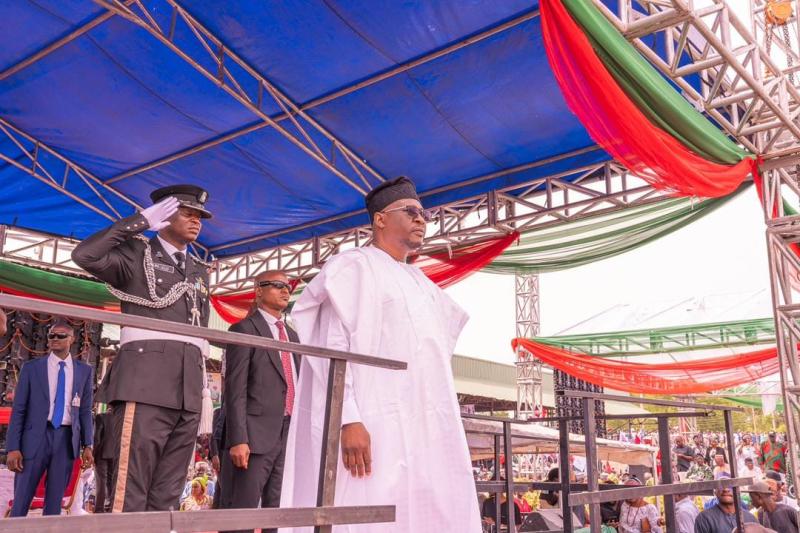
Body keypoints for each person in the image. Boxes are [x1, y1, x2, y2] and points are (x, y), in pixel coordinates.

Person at [280, 176, 481, 532]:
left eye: (424, 213)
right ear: (381, 219)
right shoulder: (352, 267)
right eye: (412, 211)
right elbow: (332, 348)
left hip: (423, 424)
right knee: (367, 507)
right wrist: (347, 418)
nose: (422, 219)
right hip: (372, 420)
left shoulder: (422, 284)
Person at [72, 185, 212, 512]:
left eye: (200, 217)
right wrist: (138, 222)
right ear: (163, 216)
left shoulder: (199, 271)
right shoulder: (136, 254)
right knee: (130, 488)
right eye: (188, 214)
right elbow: (84, 255)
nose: (196, 221)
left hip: (188, 392)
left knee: (168, 492)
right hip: (146, 385)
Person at [220, 270, 300, 533]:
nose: (285, 290)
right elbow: (235, 389)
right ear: (258, 291)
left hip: (287, 432)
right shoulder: (243, 328)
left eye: (287, 286)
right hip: (253, 439)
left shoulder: (292, 335)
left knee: (274, 512)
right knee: (241, 513)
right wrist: (238, 439)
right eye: (277, 285)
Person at [6, 321, 94, 516]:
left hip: (66, 440)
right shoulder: (32, 368)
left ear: (71, 339)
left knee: (54, 504)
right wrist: (13, 447)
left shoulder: (84, 371)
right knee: (21, 500)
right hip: (35, 438)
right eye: (51, 335)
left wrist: (88, 444)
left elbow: (86, 410)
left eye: (60, 335)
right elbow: (19, 410)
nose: (54, 339)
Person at [92, 409, 115, 513]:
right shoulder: (120, 419)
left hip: (102, 454)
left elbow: (96, 438)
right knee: (111, 482)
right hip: (115, 455)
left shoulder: (100, 417)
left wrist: (93, 454)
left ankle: (99, 508)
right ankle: (111, 506)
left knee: (101, 482)